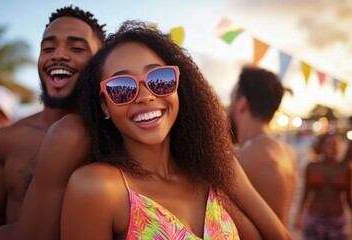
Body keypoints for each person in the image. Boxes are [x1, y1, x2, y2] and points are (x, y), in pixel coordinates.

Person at [61, 21, 292, 240]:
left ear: (179, 88)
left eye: (160, 79)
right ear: (105, 106)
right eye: (122, 87)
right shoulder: (97, 187)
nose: (146, 96)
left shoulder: (213, 171)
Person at [0, 6, 105, 240]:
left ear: (99, 63)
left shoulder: (108, 141)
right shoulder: (8, 138)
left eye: (76, 48)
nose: (58, 55)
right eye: (48, 48)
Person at [228, 66, 297, 226]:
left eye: (231, 101)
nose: (227, 109)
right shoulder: (288, 153)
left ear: (242, 104)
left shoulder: (242, 160)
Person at [295, 132, 352, 239]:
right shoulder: (312, 167)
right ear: (321, 146)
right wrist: (299, 216)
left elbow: (349, 198)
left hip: (337, 220)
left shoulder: (345, 168)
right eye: (328, 143)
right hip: (314, 218)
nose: (331, 146)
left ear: (339, 147)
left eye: (334, 143)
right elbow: (305, 194)